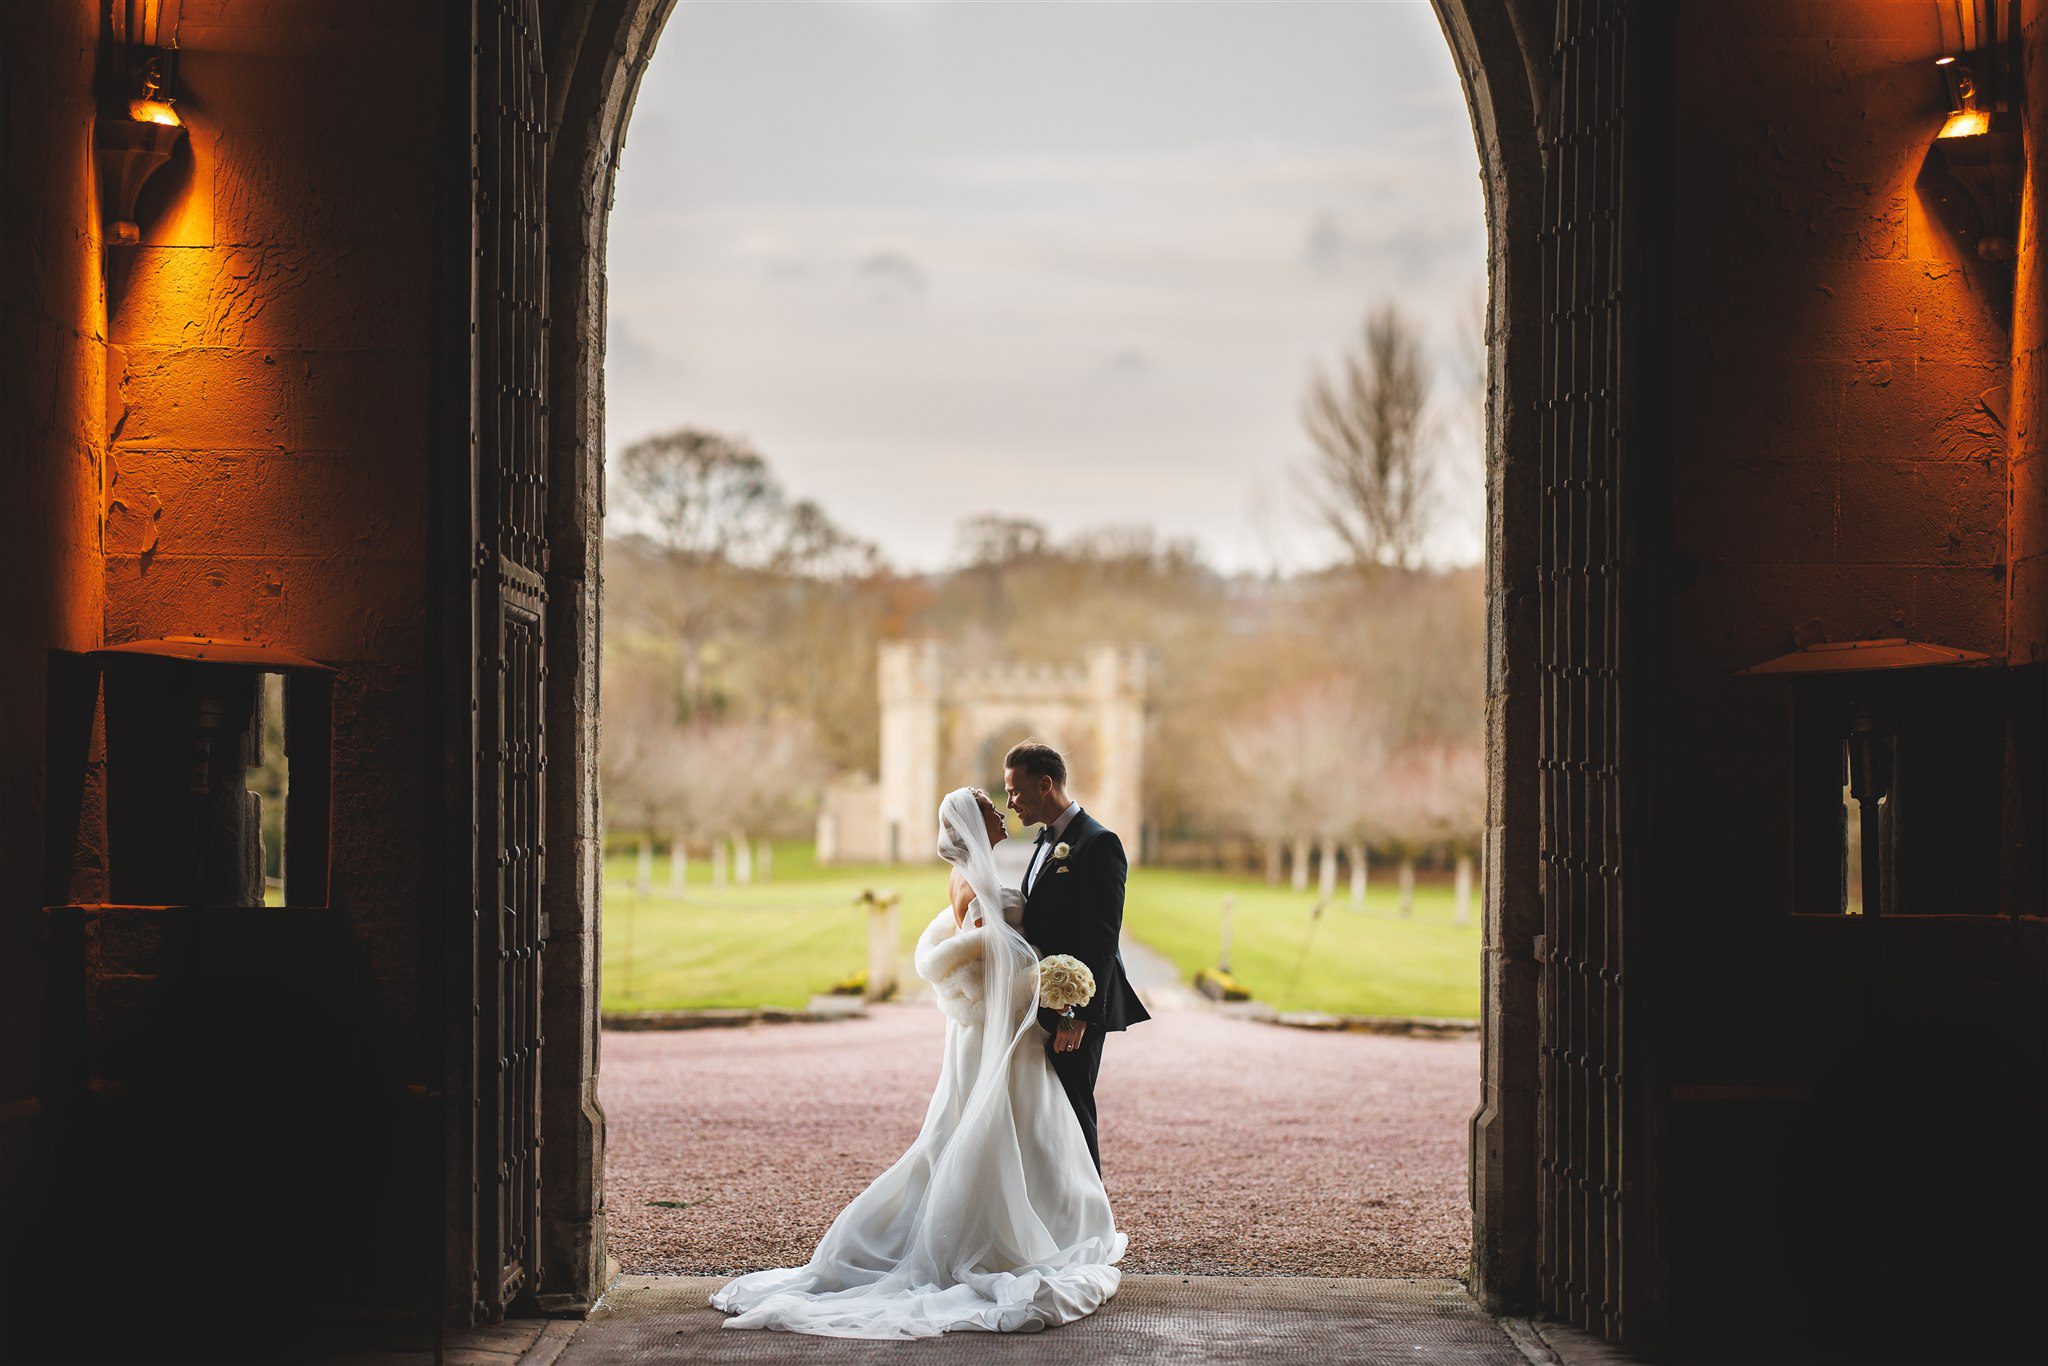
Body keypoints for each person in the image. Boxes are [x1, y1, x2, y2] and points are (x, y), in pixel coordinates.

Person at [708, 787, 1126, 1338]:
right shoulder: (974, 880)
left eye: (1005, 803)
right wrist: (1046, 986)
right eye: (992, 809)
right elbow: (989, 965)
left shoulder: (977, 872)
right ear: (974, 826)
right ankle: (1011, 1234)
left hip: (986, 1033)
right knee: (1007, 1127)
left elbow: (978, 948)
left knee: (1011, 1129)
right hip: (995, 1032)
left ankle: (1047, 1221)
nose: (1003, 812)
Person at [1003, 740, 1152, 1172]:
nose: (1010, 802)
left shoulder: (1098, 843)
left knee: (1074, 1110)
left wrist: (1077, 1013)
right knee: (1049, 1117)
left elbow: (1101, 937)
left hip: (1072, 1007)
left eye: (1014, 791)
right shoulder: (1045, 840)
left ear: (1045, 784)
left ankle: (1092, 1221)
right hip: (1042, 1001)